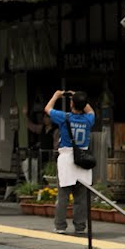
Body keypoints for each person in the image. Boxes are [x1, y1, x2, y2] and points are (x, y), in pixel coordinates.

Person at [45, 89, 95, 235]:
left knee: (63, 196)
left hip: (67, 158)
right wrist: (77, 97)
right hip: (83, 158)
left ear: (71, 103)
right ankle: (80, 227)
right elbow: (90, 110)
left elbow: (47, 109)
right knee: (81, 197)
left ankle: (60, 226)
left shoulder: (64, 117)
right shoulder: (88, 120)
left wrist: (56, 95)